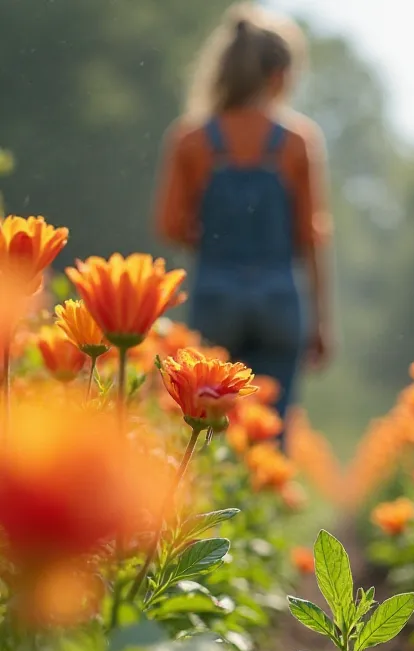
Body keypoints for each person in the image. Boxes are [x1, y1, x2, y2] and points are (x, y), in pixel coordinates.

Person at [154, 3, 333, 420]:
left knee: (210, 421)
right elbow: (311, 238)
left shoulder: (191, 140)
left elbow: (169, 227)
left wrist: (215, 239)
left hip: (215, 294)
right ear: (278, 76)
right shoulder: (296, 141)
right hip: (279, 298)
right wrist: (321, 324)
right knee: (270, 424)